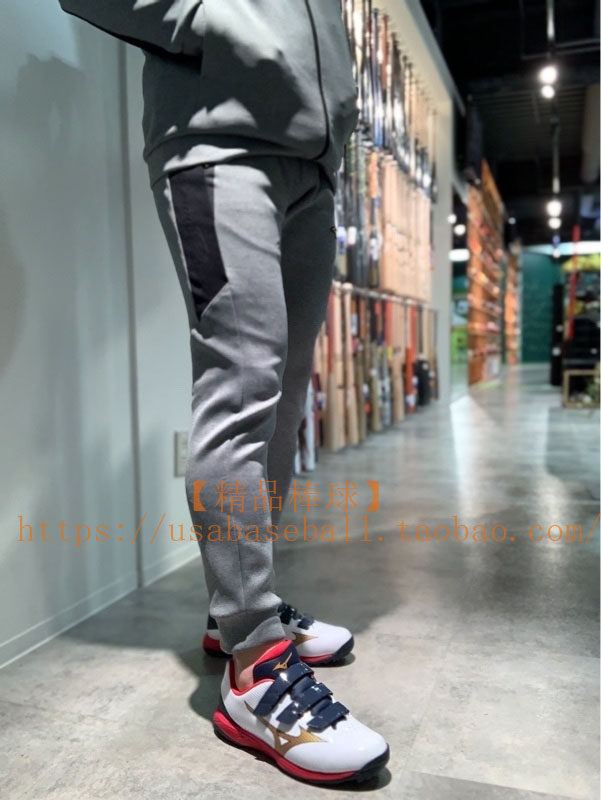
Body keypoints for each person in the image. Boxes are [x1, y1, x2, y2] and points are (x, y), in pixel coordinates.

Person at [58, 0, 389, 784]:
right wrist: (214, 20)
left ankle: (237, 610)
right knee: (240, 390)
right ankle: (253, 667)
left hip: (312, 167)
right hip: (217, 146)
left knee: (282, 399)